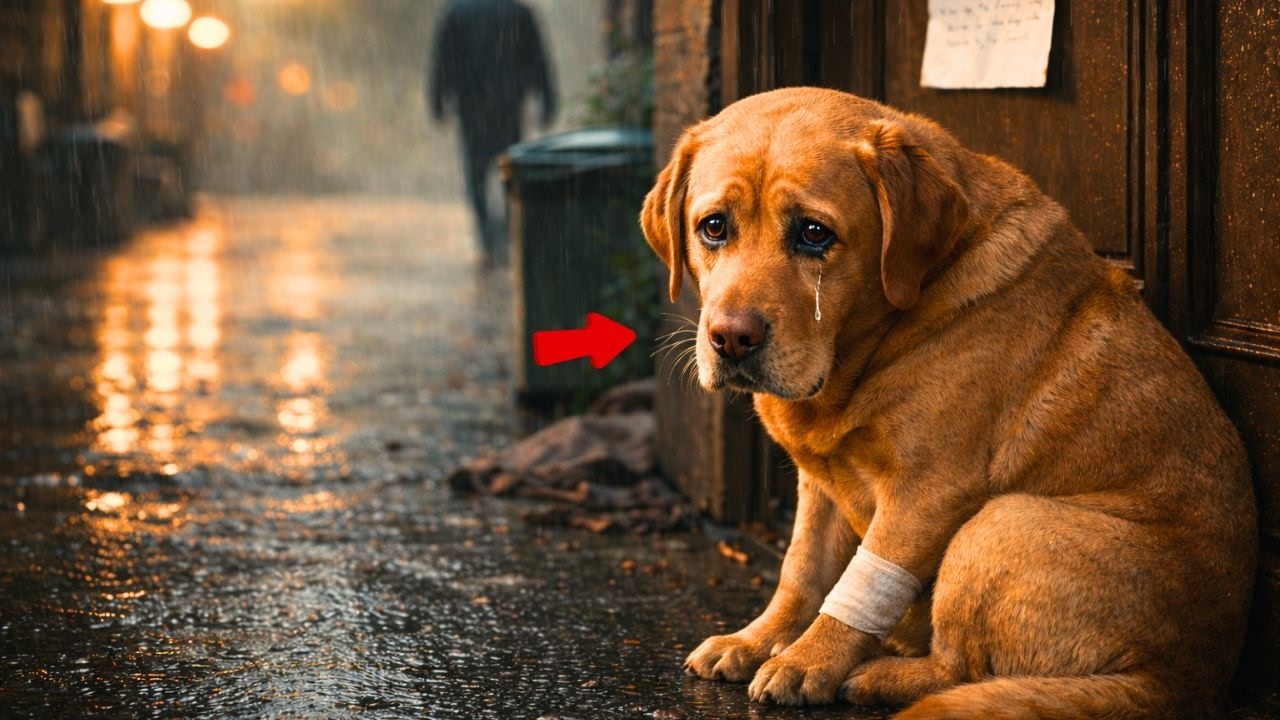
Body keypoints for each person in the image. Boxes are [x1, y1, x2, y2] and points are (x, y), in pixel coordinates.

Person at [428, 0, 557, 266]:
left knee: (476, 172)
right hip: (508, 105)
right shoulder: (519, 12)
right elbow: (539, 60)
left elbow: (442, 59)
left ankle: (487, 240)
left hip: (471, 107)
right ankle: (508, 235)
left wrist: (438, 100)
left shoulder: (456, 12)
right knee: (509, 171)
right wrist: (547, 101)